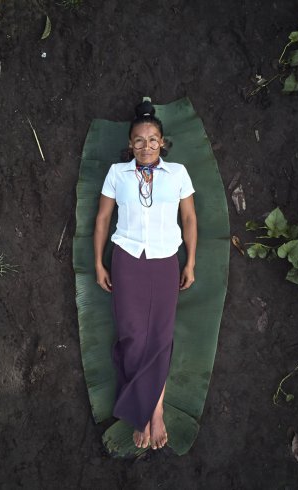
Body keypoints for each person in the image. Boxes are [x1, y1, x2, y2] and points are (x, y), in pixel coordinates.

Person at [93, 101, 197, 450]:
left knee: (160, 337)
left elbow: (190, 219)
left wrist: (190, 262)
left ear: (162, 143)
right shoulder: (117, 174)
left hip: (165, 260)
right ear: (130, 144)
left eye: (153, 140)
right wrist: (99, 263)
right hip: (127, 259)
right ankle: (146, 408)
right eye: (139, 140)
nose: (146, 146)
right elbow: (103, 219)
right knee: (133, 336)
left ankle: (155, 410)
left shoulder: (178, 173)